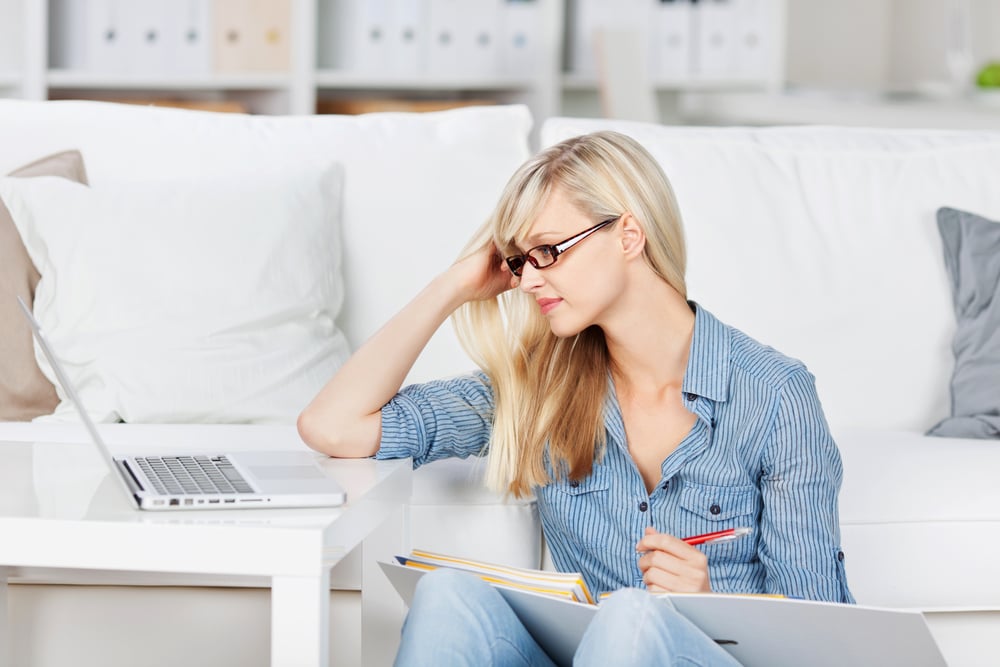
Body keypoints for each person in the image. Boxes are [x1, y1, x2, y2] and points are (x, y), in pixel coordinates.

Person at [298, 130, 854, 665]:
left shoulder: (775, 396)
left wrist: (713, 602)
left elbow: (823, 635)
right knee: (448, 599)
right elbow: (334, 426)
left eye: (548, 251)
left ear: (629, 236)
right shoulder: (539, 389)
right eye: (519, 261)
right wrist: (454, 287)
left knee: (629, 617)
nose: (528, 280)